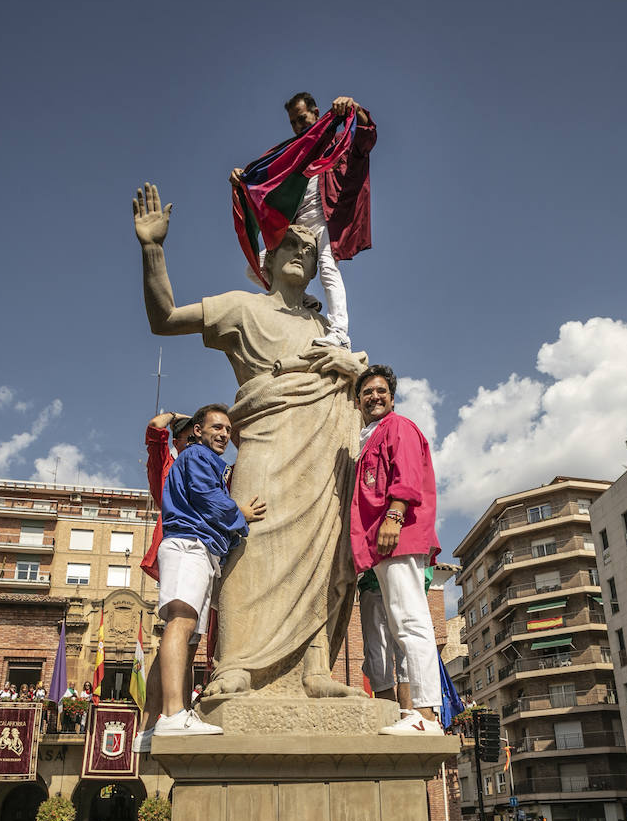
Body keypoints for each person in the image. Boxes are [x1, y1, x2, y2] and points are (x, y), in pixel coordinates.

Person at [134, 185, 368, 701]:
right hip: (265, 432)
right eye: (291, 247)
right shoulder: (241, 307)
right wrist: (153, 249)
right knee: (252, 538)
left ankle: (314, 670)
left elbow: (361, 387)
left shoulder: (326, 326)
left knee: (322, 550)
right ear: (269, 259)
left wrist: (349, 367)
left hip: (322, 443)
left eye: (310, 253)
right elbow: (164, 318)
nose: (301, 255)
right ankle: (235, 664)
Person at [150, 403, 264, 736]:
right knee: (181, 623)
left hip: (198, 549)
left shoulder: (206, 460)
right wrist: (239, 512)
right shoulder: (198, 457)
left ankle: (163, 718)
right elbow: (207, 497)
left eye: (228, 430)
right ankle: (172, 715)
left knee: (185, 636)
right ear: (198, 431)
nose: (224, 435)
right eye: (217, 428)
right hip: (189, 545)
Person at [231, 92, 376, 348]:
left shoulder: (339, 142)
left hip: (327, 220)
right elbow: (266, 182)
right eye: (293, 123)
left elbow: (366, 136)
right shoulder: (294, 154)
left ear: (316, 113)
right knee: (256, 266)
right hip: (298, 227)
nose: (299, 126)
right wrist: (244, 178)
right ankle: (305, 298)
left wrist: (353, 106)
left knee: (329, 269)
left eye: (302, 118)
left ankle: (340, 331)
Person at [350, 365, 442, 735]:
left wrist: (395, 516)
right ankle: (415, 713)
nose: (375, 396)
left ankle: (425, 714)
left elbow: (407, 475)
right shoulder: (369, 437)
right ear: (358, 401)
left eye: (381, 391)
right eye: (367, 392)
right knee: (399, 623)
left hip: (398, 535)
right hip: (380, 544)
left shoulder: (398, 427)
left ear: (392, 397)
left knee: (410, 620)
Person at [133, 410, 197, 751]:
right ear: (178, 442)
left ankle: (166, 718)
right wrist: (174, 416)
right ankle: (161, 717)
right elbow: (155, 430)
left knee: (188, 644)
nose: (196, 443)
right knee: (179, 631)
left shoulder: (209, 468)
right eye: (189, 438)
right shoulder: (168, 469)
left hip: (204, 557)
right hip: (181, 552)